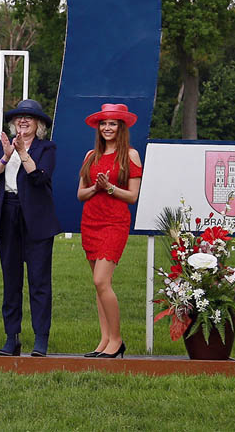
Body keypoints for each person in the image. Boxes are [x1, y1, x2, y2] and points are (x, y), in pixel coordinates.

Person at [0, 99, 60, 357]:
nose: (23, 120)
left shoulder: (47, 148)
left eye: (29, 117)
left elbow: (39, 178)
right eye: (19, 117)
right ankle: (11, 337)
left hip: (37, 218)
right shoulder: (4, 146)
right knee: (11, 280)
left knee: (39, 281)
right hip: (8, 214)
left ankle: (41, 338)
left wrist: (23, 154)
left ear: (39, 124)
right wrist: (6, 156)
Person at [77, 103, 142, 359]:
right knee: (100, 285)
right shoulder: (90, 156)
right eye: (103, 123)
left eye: (112, 123)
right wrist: (96, 187)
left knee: (101, 281)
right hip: (90, 221)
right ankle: (104, 340)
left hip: (114, 223)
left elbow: (133, 196)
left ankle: (117, 340)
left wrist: (110, 188)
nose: (107, 128)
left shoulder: (131, 155)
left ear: (121, 127)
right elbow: (81, 193)